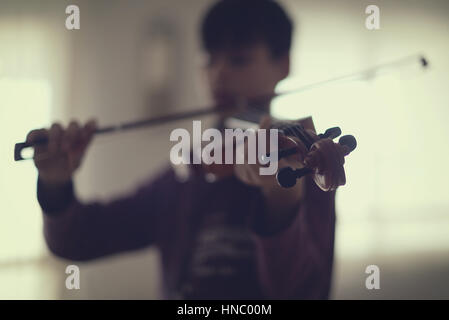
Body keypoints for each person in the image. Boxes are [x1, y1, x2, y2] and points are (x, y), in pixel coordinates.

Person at [26, 0, 336, 299]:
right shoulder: (187, 174)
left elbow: (302, 291)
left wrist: (282, 199)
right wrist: (56, 183)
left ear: (283, 64)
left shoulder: (305, 163)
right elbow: (76, 240)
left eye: (239, 59)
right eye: (209, 61)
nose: (218, 74)